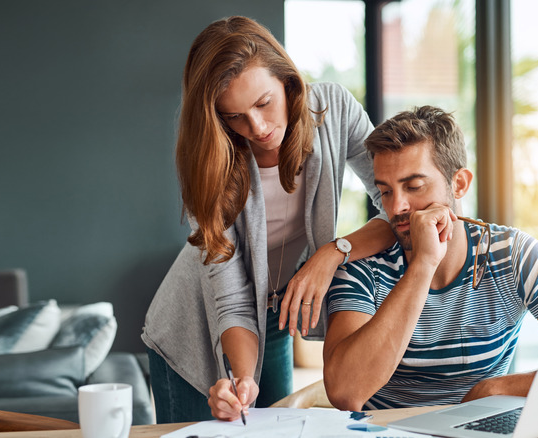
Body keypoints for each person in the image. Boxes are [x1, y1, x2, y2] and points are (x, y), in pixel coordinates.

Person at [141, 16, 395, 423]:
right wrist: (241, 380)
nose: (256, 128)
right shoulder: (210, 164)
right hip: (195, 326)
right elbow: (231, 299)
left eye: (263, 103)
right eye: (233, 116)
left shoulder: (333, 111)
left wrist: (334, 252)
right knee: (232, 416)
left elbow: (394, 204)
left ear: (287, 81)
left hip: (275, 313)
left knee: (276, 428)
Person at [322, 106, 538, 410]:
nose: (396, 207)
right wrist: (423, 265)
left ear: (459, 184)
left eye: (414, 186)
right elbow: (344, 392)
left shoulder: (512, 254)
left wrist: (497, 388)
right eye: (386, 191)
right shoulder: (362, 268)